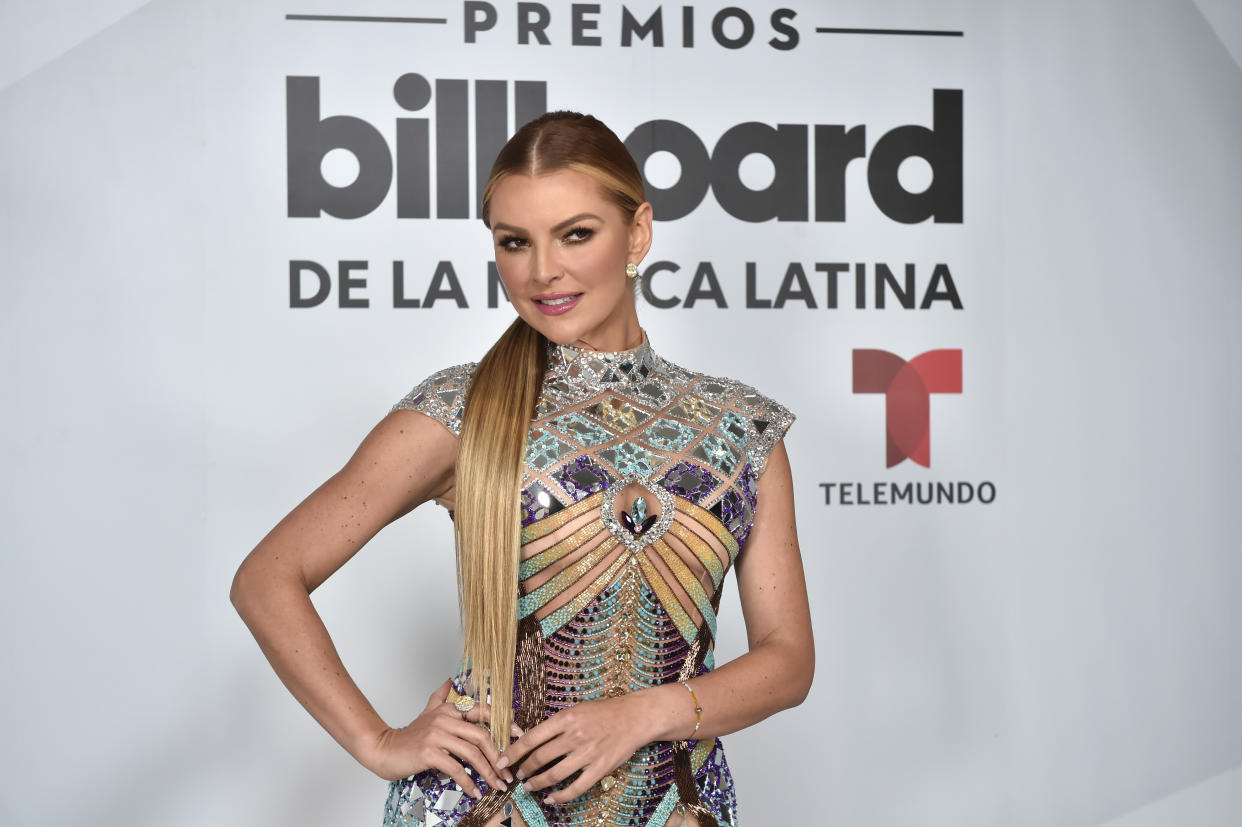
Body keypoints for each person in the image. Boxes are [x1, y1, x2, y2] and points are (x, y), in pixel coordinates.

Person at [230, 111, 814, 827]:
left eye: (576, 234)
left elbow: (788, 660)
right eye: (515, 242)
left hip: (674, 808)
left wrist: (641, 714)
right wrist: (379, 741)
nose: (543, 271)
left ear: (637, 234)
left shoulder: (741, 427)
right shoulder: (460, 409)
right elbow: (267, 578)